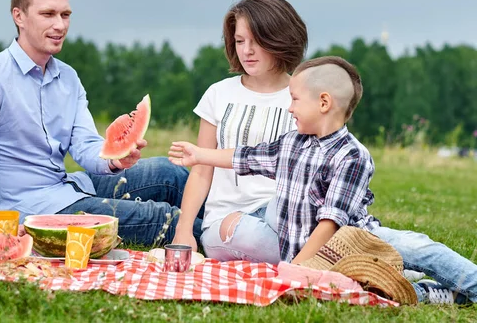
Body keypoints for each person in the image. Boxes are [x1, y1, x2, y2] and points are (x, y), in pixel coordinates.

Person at [169, 56, 477, 304]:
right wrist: (200, 154)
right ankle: (428, 292)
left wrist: (297, 267)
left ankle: (469, 284)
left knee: (420, 249)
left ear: (324, 103)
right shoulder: (292, 142)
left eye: (295, 99)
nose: (289, 108)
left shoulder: (353, 156)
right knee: (366, 290)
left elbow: (330, 224)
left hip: (354, 244)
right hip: (309, 256)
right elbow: (246, 157)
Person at [0, 0, 198, 246]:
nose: (59, 25)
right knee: (165, 218)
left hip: (69, 186)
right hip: (30, 211)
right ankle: (235, 239)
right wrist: (0, 227)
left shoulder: (69, 78)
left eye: (65, 15)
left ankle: (242, 220)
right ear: (19, 16)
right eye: (48, 14)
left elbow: (85, 146)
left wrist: (114, 160)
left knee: (170, 173)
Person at [171, 0, 308, 259]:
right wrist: (184, 229)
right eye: (239, 41)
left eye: (257, 41)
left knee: (292, 222)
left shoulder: (302, 96)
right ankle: (336, 260)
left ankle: (377, 258)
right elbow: (201, 170)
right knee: (250, 236)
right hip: (227, 222)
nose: (246, 51)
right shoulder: (218, 94)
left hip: (282, 213)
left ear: (280, 39)